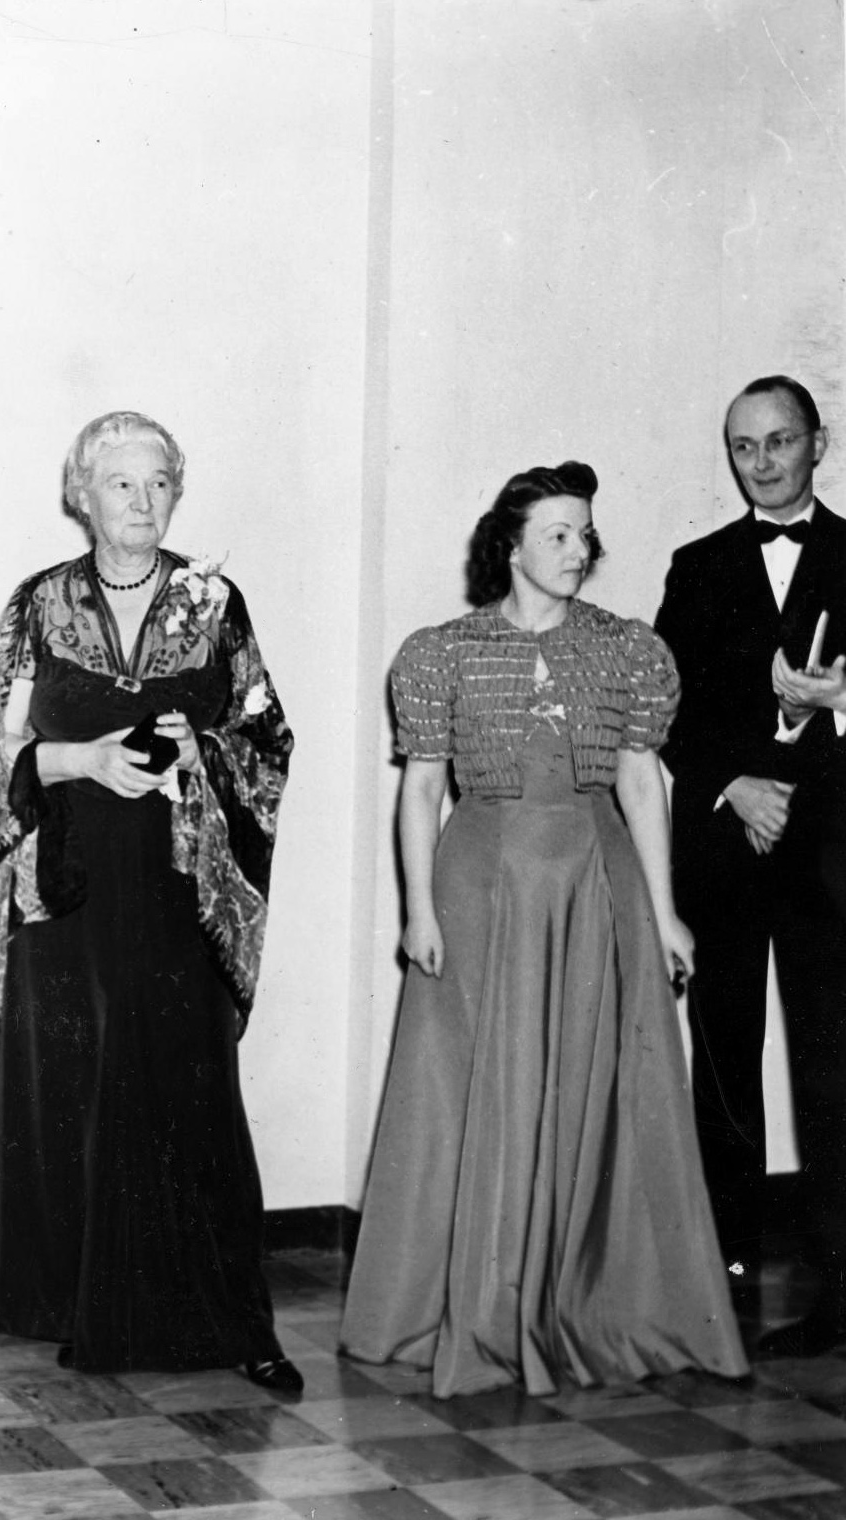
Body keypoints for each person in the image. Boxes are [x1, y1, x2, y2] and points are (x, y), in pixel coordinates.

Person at [341, 462, 748, 1398]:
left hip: (592, 881)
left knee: (597, 1084)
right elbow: (421, 787)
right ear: (510, 544)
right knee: (471, 1087)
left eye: (584, 534)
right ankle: (471, 1307)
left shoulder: (627, 650)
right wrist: (417, 908)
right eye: (557, 534)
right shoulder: (439, 652)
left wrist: (664, 909)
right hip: (479, 883)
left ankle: (589, 1298)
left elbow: (643, 781)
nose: (577, 550)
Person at [0, 411, 300, 1389]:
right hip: (67, 887)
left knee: (190, 1092)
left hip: (174, 887)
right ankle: (78, 1304)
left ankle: (234, 1321)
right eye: (120, 483)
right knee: (74, 1085)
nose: (141, 501)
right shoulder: (36, 607)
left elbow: (265, 739)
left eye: (158, 483)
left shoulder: (212, 599)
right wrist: (84, 759)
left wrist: (201, 752)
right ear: (83, 494)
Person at [656, 375, 844, 1357]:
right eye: (743, 446)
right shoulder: (696, 566)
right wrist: (738, 778)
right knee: (720, 1054)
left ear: (817, 441)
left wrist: (838, 705)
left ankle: (840, 1287)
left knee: (833, 1062)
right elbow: (664, 707)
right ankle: (716, 1270)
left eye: (778, 441)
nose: (762, 461)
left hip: (828, 862)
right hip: (728, 846)